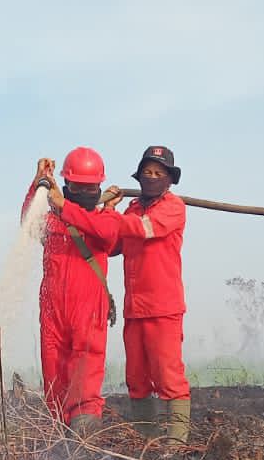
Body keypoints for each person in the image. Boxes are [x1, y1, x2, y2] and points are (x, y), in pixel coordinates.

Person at [49, 145, 190, 441]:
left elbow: (135, 229)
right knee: (137, 380)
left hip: (163, 307)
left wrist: (88, 211)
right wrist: (107, 212)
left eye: (158, 173)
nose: (151, 178)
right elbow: (111, 244)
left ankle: (177, 447)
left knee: (168, 377)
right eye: (147, 172)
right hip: (134, 308)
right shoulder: (133, 207)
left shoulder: (173, 207)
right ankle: (147, 442)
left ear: (169, 180)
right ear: (139, 177)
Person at [24, 148, 120, 431]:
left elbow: (106, 235)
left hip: (87, 311)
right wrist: (38, 183)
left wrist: (63, 204)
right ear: (66, 183)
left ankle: (84, 447)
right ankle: (57, 438)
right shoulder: (53, 222)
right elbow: (29, 222)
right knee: (54, 374)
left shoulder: (107, 219)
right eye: (77, 186)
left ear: (99, 186)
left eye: (90, 187)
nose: (85, 191)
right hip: (53, 312)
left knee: (85, 376)